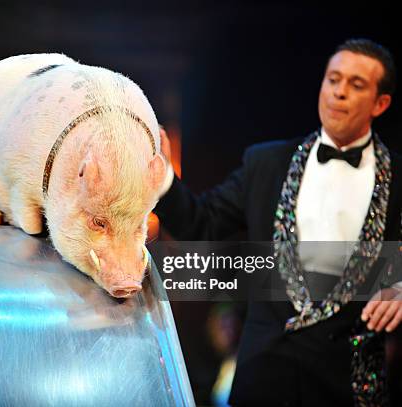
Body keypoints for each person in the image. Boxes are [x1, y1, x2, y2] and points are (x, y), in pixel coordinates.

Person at [155, 38, 402, 406]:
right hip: (265, 376)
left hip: (348, 381)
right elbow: (201, 223)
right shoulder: (267, 164)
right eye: (333, 79)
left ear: (380, 103)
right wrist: (163, 182)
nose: (339, 93)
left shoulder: (398, 177)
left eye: (356, 84)